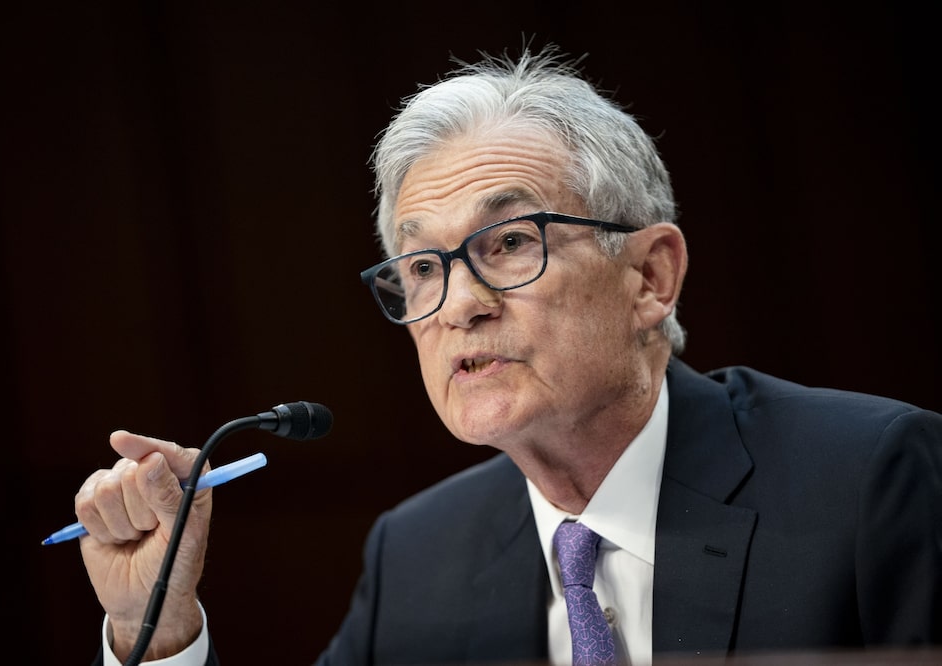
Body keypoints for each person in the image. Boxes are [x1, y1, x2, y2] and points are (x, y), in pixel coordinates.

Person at [77, 45, 942, 666]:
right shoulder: (419, 556)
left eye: (509, 242)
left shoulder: (872, 480)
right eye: (422, 268)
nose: (459, 304)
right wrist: (158, 633)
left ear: (650, 275)